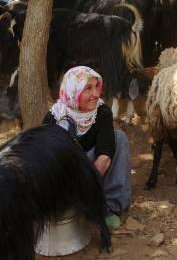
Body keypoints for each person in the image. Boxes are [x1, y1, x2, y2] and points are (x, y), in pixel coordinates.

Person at [42, 66, 131, 230]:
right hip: (66, 174)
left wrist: (84, 188)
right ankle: (71, 206)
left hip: (92, 169)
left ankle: (110, 207)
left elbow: (104, 156)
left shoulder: (102, 112)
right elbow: (48, 162)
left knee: (119, 138)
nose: (96, 94)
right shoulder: (54, 117)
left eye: (97, 86)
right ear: (73, 91)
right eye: (88, 88)